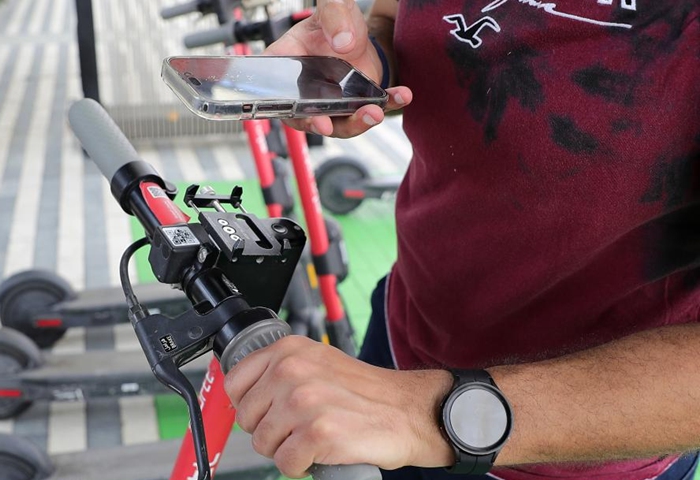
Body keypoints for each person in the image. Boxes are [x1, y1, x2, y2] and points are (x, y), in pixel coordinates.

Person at [223, 0, 700, 479]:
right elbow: (394, 18)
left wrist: (420, 413)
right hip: (400, 339)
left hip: (559, 449)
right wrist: (367, 66)